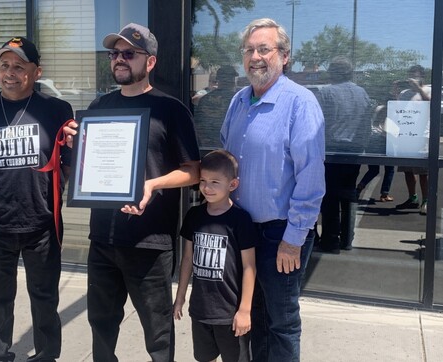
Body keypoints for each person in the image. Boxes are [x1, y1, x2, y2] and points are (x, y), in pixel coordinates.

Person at [64, 23, 200, 362]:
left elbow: (193, 172)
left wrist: (152, 184)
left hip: (149, 243)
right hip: (103, 240)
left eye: (129, 53)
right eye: (115, 54)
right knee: (101, 325)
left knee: (157, 333)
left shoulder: (171, 110)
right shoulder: (99, 106)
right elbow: (84, 167)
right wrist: (73, 144)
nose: (119, 60)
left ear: (149, 62)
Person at [0, 37, 74, 362]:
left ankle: (46, 355)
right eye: (4, 65)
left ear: (36, 72)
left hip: (42, 226)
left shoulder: (56, 111)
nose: (10, 73)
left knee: (44, 299)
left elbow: (67, 161)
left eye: (19, 66)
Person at [220, 18, 325, 361]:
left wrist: (293, 240)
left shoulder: (300, 103)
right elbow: (225, 157)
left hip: (281, 234)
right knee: (254, 316)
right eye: (249, 49)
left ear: (284, 56)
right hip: (242, 232)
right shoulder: (238, 100)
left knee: (281, 322)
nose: (255, 56)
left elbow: (311, 178)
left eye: (264, 49)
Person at [173, 149, 257, 362]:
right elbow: (187, 259)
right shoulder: (194, 215)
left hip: (230, 313)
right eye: (202, 180)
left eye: (214, 182)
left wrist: (245, 310)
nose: (206, 188)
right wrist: (180, 296)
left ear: (232, 185)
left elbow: (249, 267)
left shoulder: (240, 220)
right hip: (200, 309)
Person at [316, 56, 373, 253]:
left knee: (329, 196)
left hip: (331, 150)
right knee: (348, 193)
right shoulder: (362, 92)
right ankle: (348, 238)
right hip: (355, 151)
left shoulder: (327, 92)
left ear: (333, 72)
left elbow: (317, 123)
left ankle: (331, 241)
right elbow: (367, 122)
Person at [395, 65, 431, 215]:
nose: (412, 79)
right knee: (408, 171)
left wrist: (419, 88)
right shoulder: (404, 93)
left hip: (422, 136)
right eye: (410, 76)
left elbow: (430, 103)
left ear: (422, 77)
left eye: (415, 76)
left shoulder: (429, 89)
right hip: (406, 135)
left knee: (423, 172)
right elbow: (398, 110)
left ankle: (426, 201)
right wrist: (395, 94)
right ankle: (412, 198)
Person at [356, 104, 395, 202]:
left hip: (371, 138)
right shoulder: (388, 109)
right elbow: (387, 129)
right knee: (390, 168)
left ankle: (359, 187)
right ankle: (384, 194)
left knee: (373, 169)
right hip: (382, 139)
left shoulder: (376, 108)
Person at [194, 65, 238, 149]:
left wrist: (204, 143)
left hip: (207, 147)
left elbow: (198, 125)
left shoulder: (205, 98)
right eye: (231, 79)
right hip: (227, 148)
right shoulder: (237, 100)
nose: (232, 82)